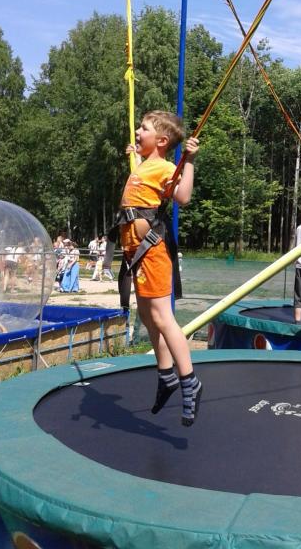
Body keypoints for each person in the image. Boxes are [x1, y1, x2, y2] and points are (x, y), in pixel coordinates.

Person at [120, 110, 202, 426]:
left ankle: (189, 380)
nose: (137, 132)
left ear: (162, 140)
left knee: (163, 317)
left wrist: (189, 160)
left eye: (143, 129)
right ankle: (166, 375)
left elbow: (183, 196)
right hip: (136, 254)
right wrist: (134, 154)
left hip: (152, 252)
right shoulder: (144, 165)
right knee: (146, 315)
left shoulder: (167, 167)